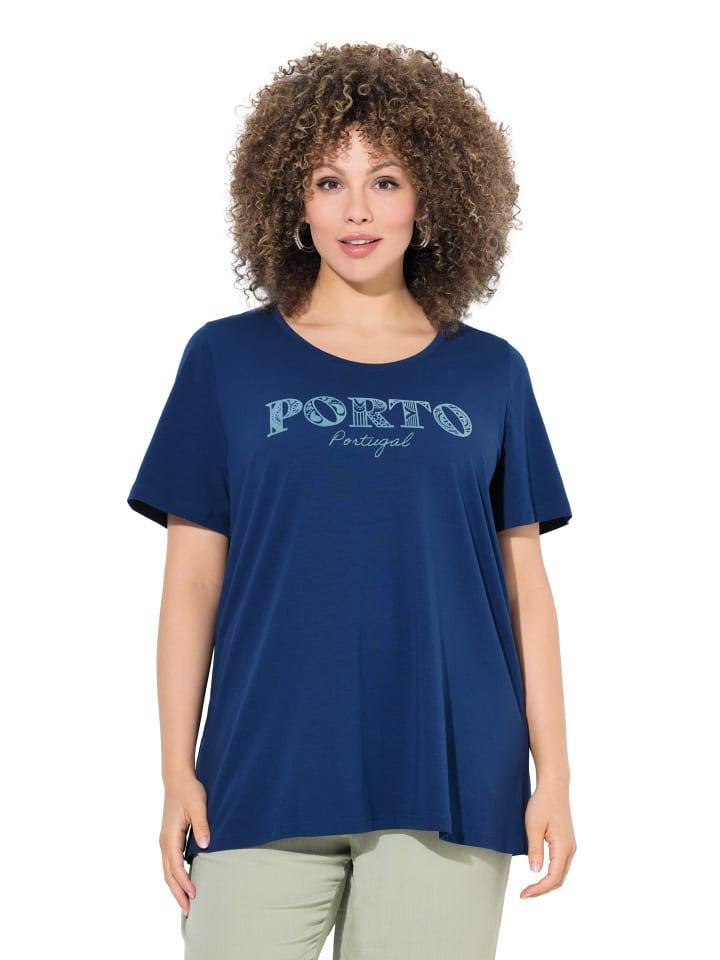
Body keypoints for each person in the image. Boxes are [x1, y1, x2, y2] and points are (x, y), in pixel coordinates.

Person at [127, 41, 577, 960]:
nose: (357, 210)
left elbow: (525, 590)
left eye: (386, 180)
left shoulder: (492, 373)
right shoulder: (225, 360)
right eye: (329, 181)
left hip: (451, 774)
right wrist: (176, 769)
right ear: (292, 199)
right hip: (262, 765)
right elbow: (192, 583)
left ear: (431, 196)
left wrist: (555, 776)